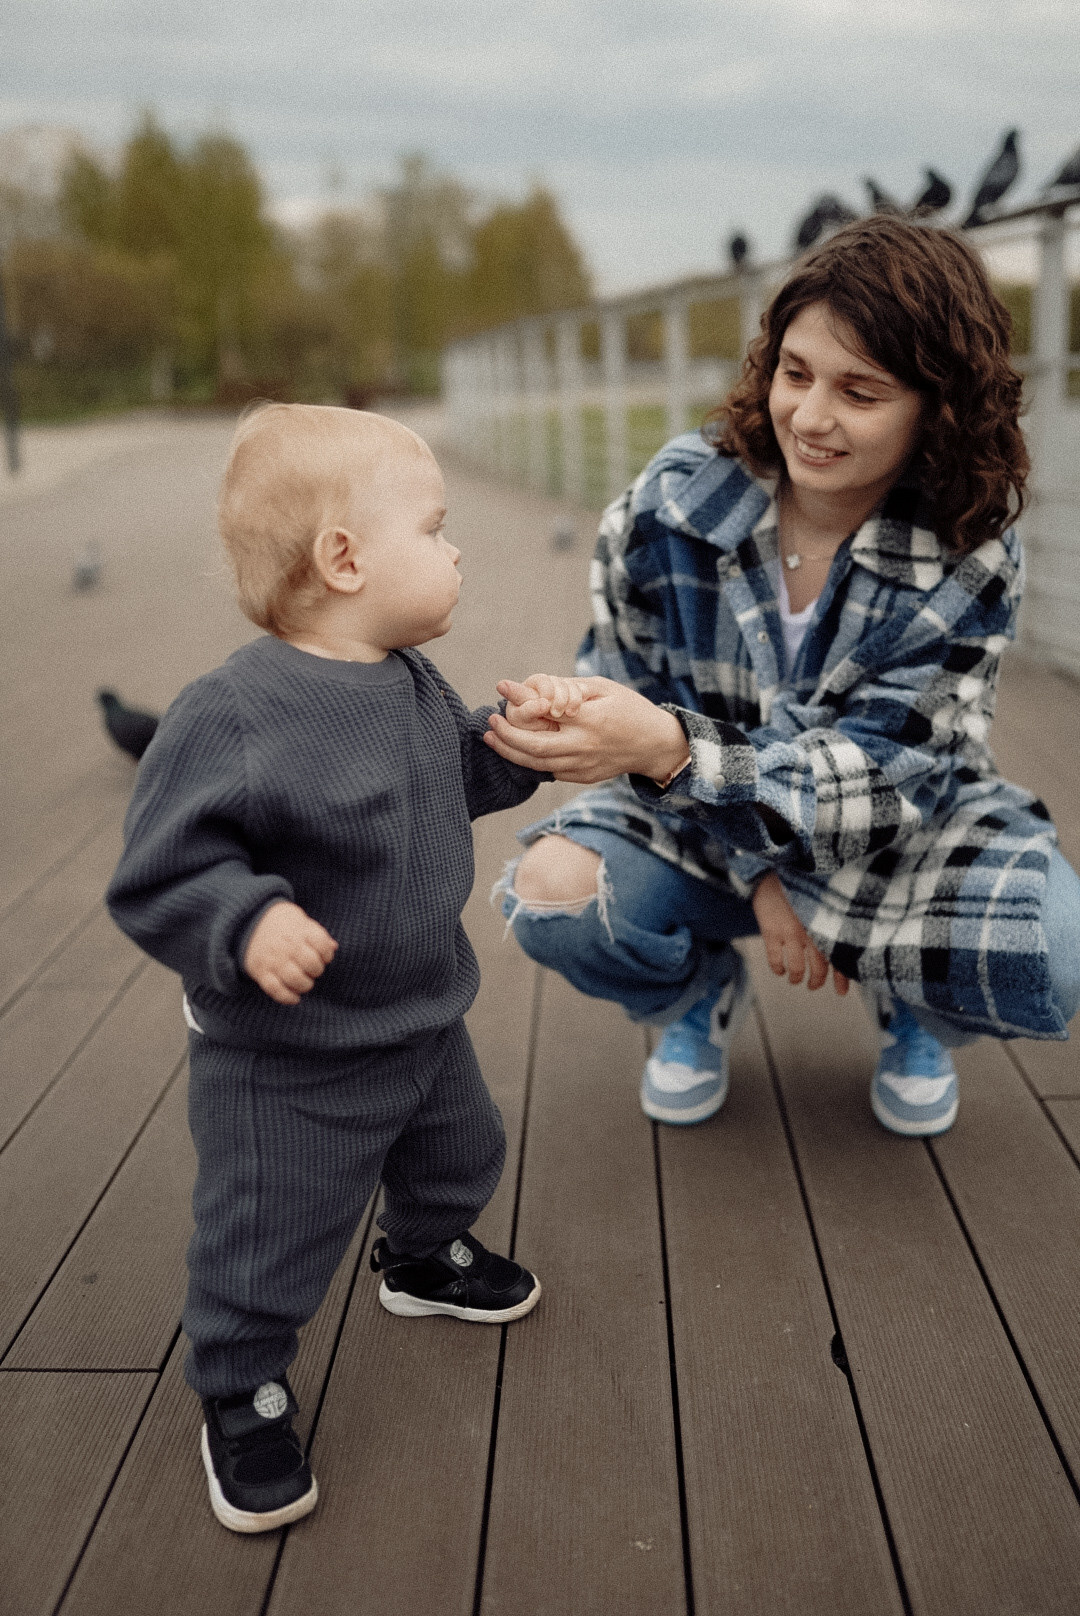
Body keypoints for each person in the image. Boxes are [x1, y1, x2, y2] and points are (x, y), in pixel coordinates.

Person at [483, 216, 1080, 1137]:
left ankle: (911, 998)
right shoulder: (671, 501)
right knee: (551, 890)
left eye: (861, 391)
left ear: (937, 405)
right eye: (795, 374)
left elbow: (884, 781)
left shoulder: (970, 553)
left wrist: (682, 759)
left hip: (892, 828)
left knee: (1054, 945)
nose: (810, 416)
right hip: (683, 806)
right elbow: (618, 682)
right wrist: (764, 870)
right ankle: (694, 995)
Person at [106, 405, 550, 1535]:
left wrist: (510, 740)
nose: (456, 552)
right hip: (287, 1056)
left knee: (461, 1148)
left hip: (418, 1012)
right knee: (267, 1228)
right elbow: (161, 871)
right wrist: (245, 920)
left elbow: (445, 779)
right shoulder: (232, 713)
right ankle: (241, 1382)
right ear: (344, 559)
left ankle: (421, 1254)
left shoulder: (405, 680)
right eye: (437, 529)